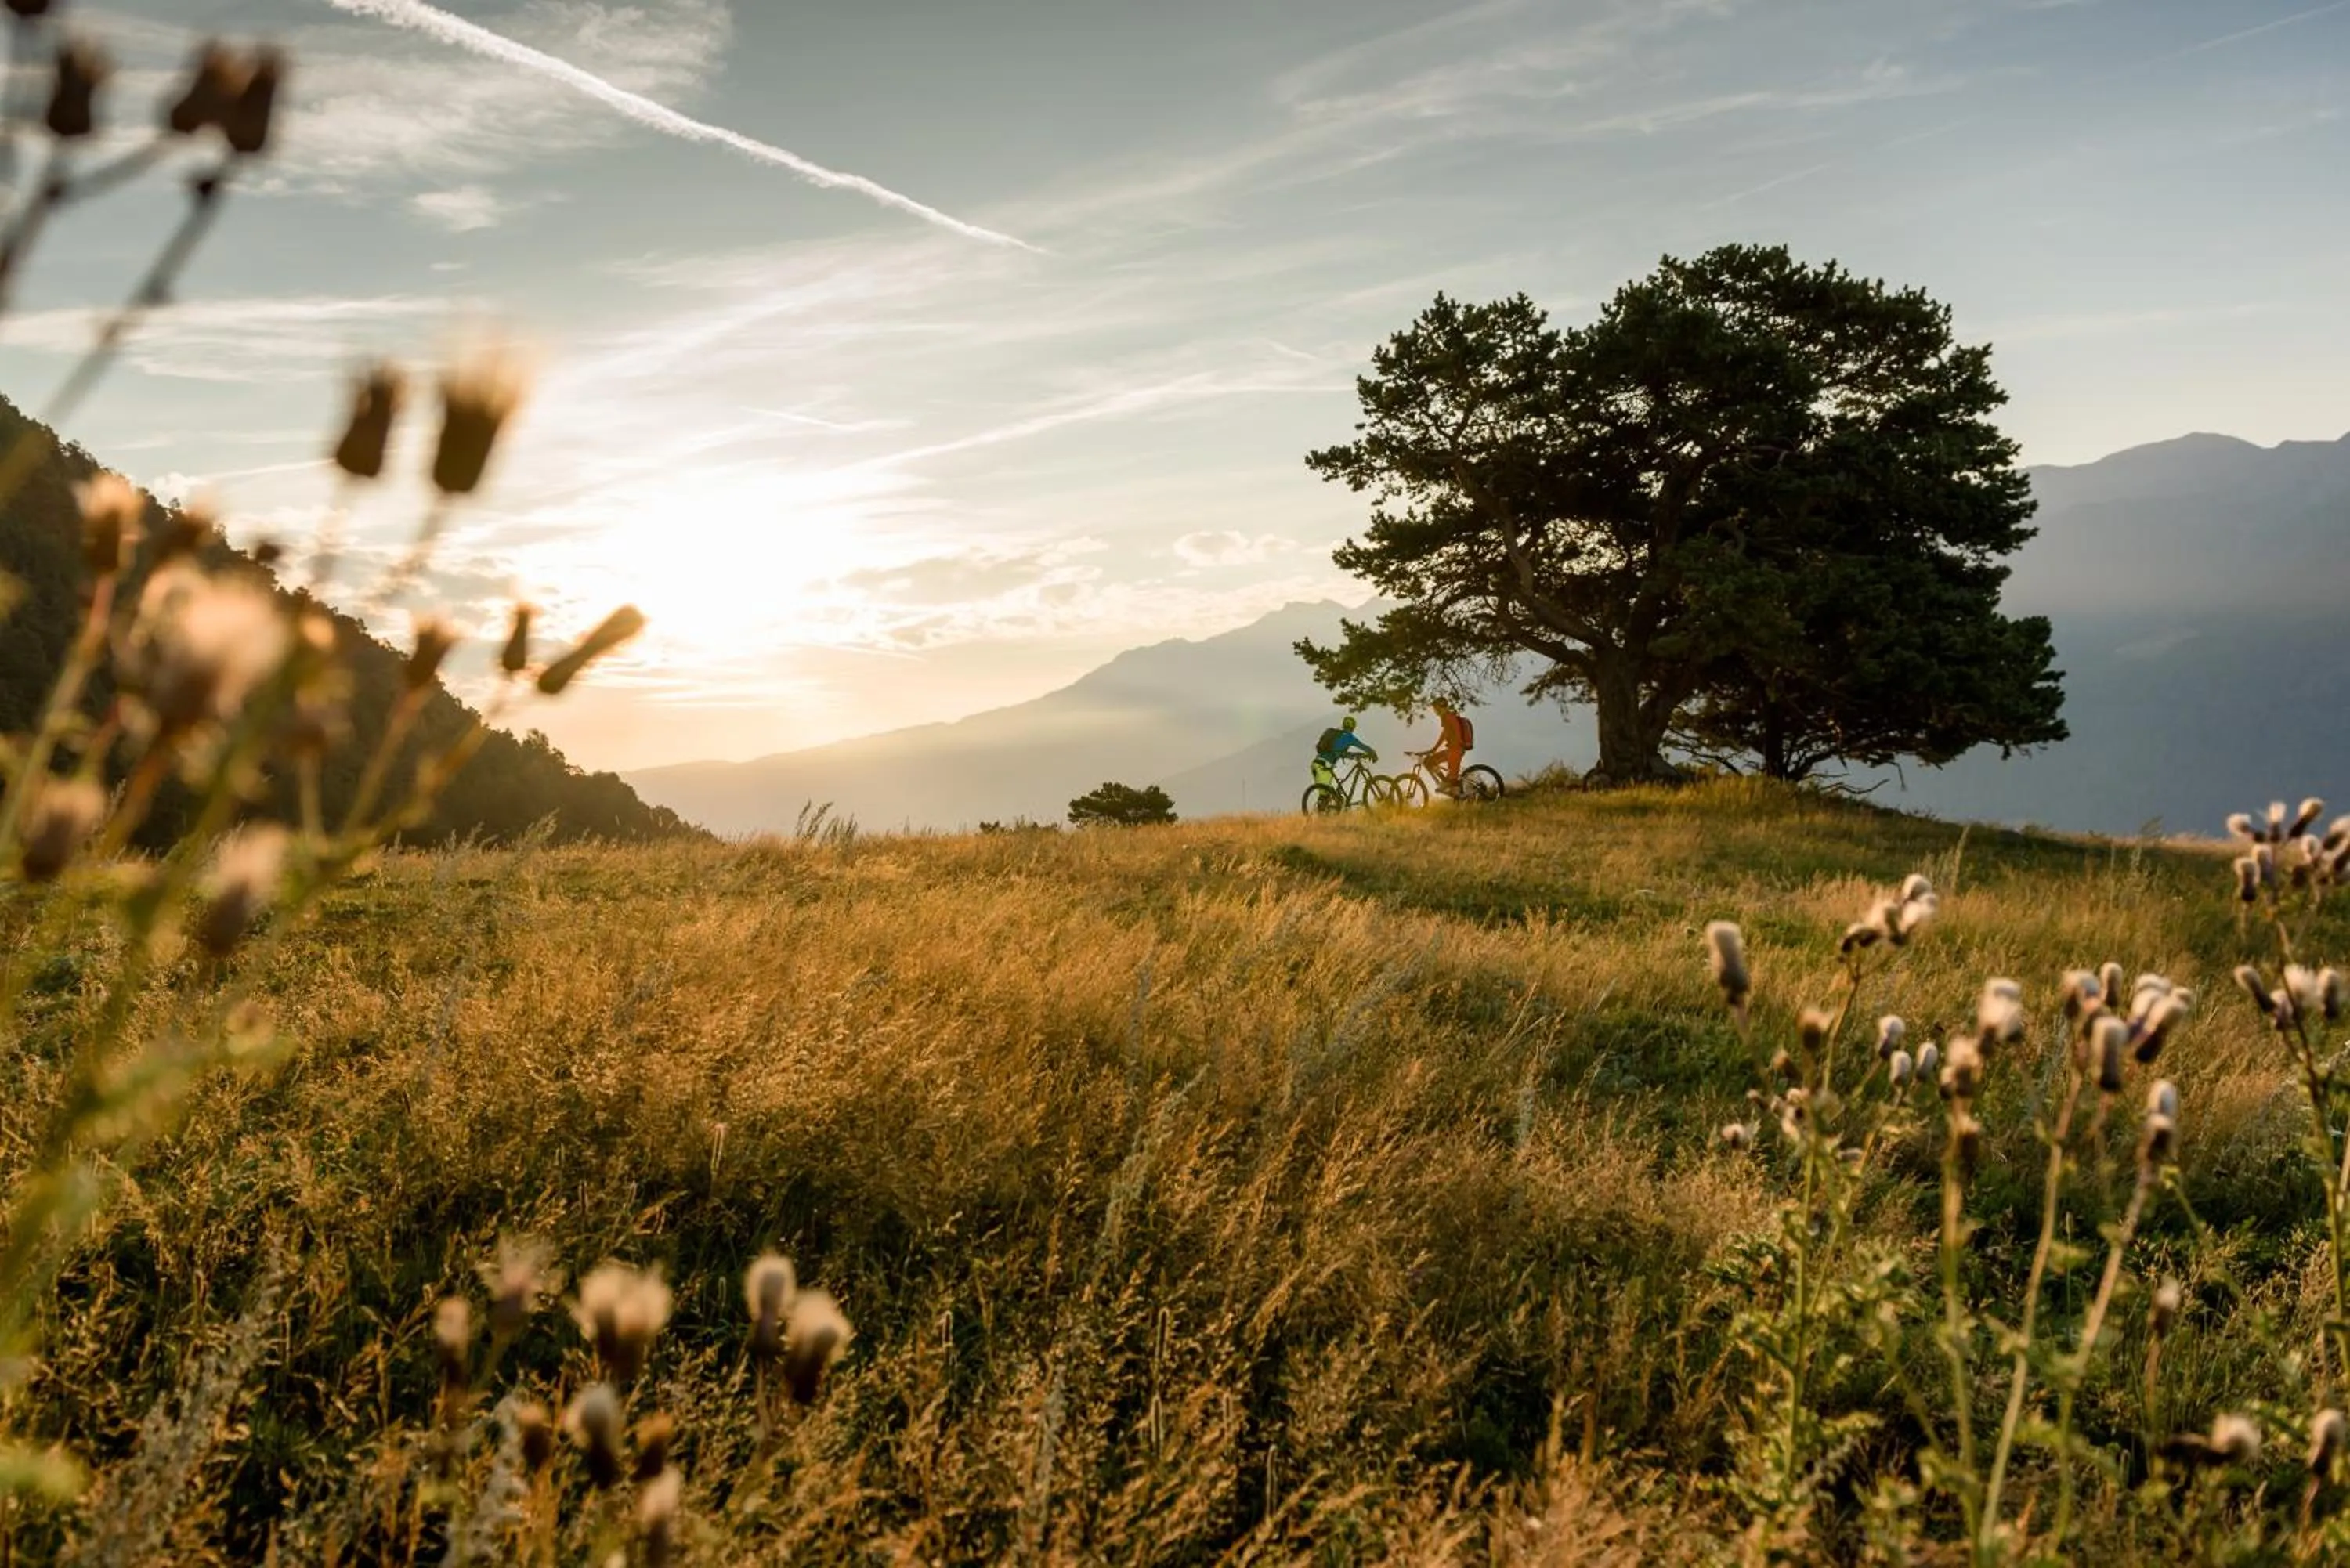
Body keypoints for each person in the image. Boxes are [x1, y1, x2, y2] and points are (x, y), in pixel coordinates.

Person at [1312, 714, 1376, 791]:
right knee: (1326, 792)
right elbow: (1362, 746)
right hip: (1326, 763)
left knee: (1326, 791)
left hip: (1318, 762)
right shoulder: (1349, 737)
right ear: (1353, 727)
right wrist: (1372, 752)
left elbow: (1339, 753)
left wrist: (1355, 755)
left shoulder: (1337, 735)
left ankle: (1331, 797)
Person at [1426, 699, 1474, 793]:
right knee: (1432, 762)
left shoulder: (1446, 717)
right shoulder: (1450, 716)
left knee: (1451, 778)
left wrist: (1434, 748)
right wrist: (1435, 748)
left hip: (1455, 750)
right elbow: (1445, 733)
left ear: (1440, 707)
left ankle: (1449, 786)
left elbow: (1446, 734)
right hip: (1456, 749)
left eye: (1435, 708)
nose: (1434, 711)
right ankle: (1446, 783)